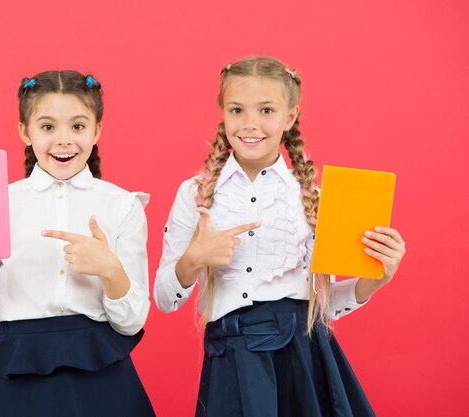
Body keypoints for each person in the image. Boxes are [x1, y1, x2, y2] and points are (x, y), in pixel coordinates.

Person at [154, 56, 406, 417]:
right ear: (222, 113)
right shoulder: (194, 194)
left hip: (303, 360)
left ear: (290, 117)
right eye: (237, 110)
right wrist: (193, 260)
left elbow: (324, 306)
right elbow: (165, 299)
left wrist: (374, 281)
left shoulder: (313, 198)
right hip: (234, 355)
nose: (250, 124)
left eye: (267, 110)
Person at [0, 70, 155, 417]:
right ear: (24, 132)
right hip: (19, 375)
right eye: (47, 127)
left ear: (97, 130)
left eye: (77, 126)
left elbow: (131, 322)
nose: (64, 140)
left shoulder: (122, 206)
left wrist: (109, 269)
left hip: (100, 372)